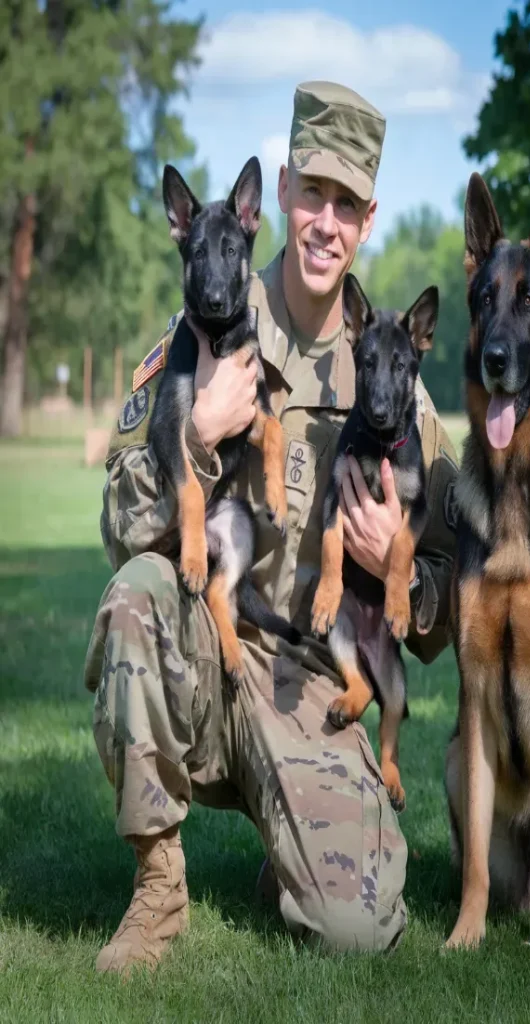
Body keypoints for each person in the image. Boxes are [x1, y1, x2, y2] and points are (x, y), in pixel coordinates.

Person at [84, 80, 459, 974]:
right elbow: (118, 521)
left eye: (346, 205)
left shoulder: (399, 383)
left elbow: (445, 592)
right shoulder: (205, 326)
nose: (325, 223)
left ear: (367, 220)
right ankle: (158, 886)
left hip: (311, 681)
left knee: (358, 929)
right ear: (281, 192)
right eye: (312, 195)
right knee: (134, 595)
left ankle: (295, 841)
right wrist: (202, 437)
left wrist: (405, 575)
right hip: (208, 652)